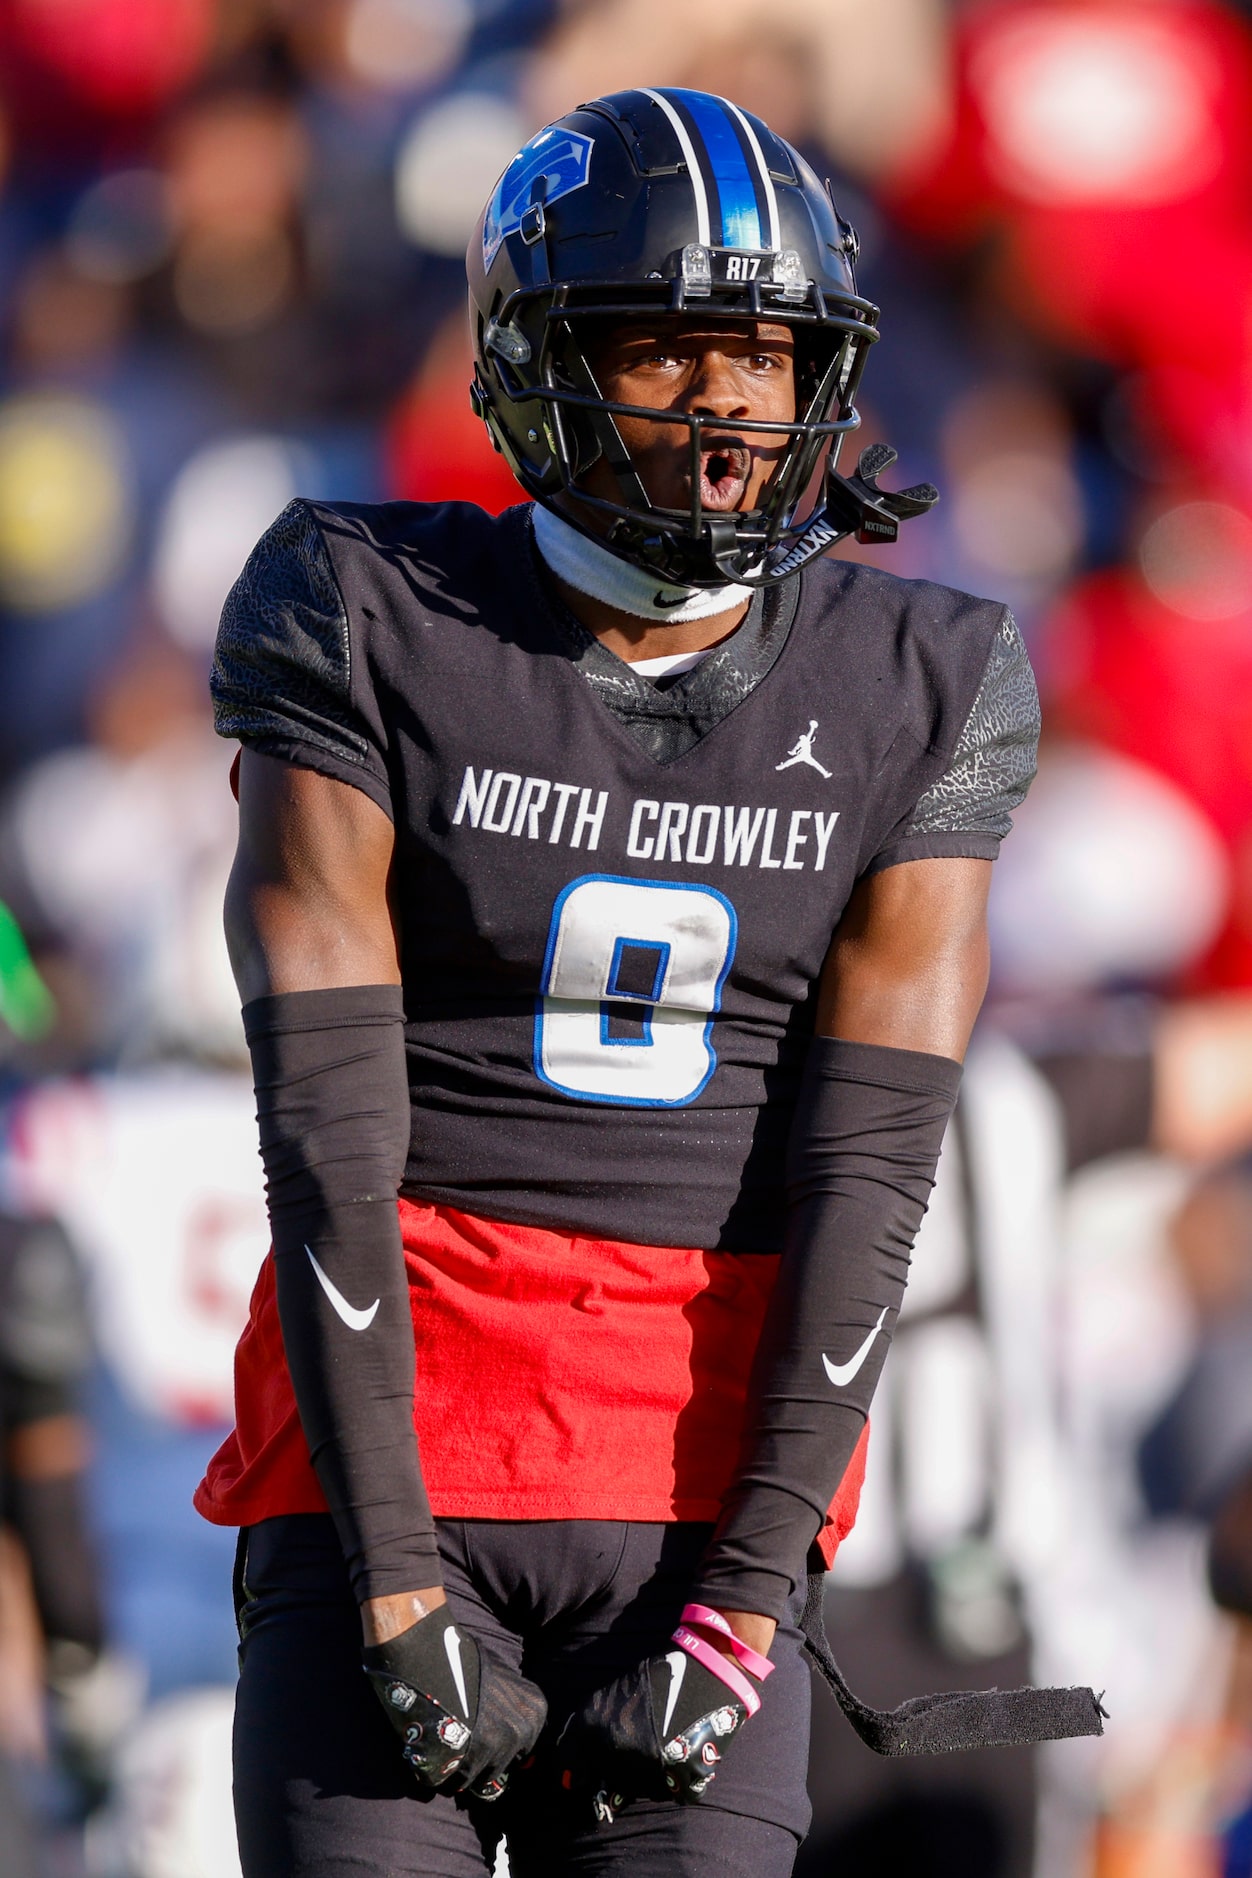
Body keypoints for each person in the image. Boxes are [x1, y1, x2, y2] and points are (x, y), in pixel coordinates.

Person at [195, 88, 1067, 1878]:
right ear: (537, 356)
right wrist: (387, 1575)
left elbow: (873, 1175)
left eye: (769, 353)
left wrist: (744, 1606)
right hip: (392, 1453)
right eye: (675, 348)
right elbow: (327, 1138)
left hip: (700, 1501)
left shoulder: (931, 668)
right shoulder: (361, 602)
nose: (736, 404)